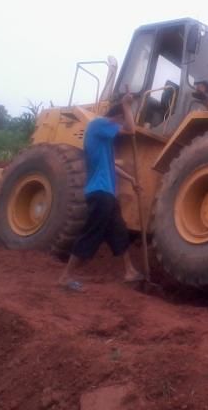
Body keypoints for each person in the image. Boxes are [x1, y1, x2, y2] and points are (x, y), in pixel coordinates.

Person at [58, 93, 144, 290]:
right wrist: (126, 106)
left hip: (107, 193)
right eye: (122, 119)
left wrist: (131, 179)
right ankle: (66, 276)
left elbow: (111, 165)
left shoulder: (104, 138)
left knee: (119, 231)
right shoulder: (98, 124)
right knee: (91, 234)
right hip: (99, 192)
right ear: (117, 117)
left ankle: (129, 271)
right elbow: (131, 130)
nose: (121, 126)